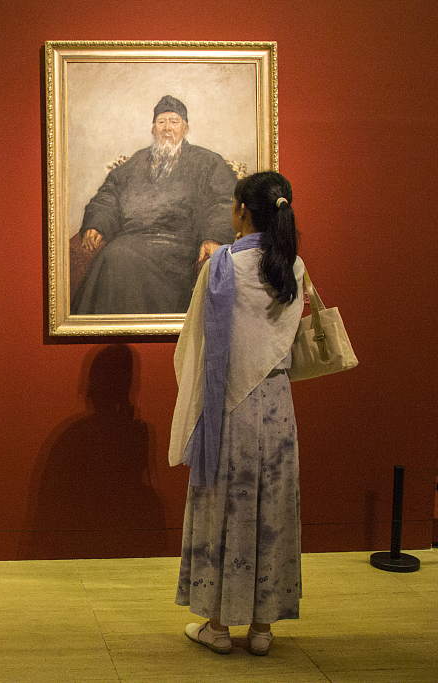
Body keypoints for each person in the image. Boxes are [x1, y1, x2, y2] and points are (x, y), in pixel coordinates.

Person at [168, 171, 304, 656]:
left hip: (228, 407)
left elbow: (196, 343)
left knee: (224, 507)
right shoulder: (293, 266)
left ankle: (219, 628)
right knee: (272, 510)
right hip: (278, 405)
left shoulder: (222, 267)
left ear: (242, 210)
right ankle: (263, 630)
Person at [71, 95, 239, 315]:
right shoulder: (136, 162)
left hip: (181, 247)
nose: (167, 128)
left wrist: (213, 237)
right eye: (161, 122)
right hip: (132, 237)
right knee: (115, 255)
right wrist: (98, 222)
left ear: (185, 128)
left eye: (174, 121)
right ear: (153, 129)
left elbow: (224, 200)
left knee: (119, 256)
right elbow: (109, 193)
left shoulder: (208, 162)